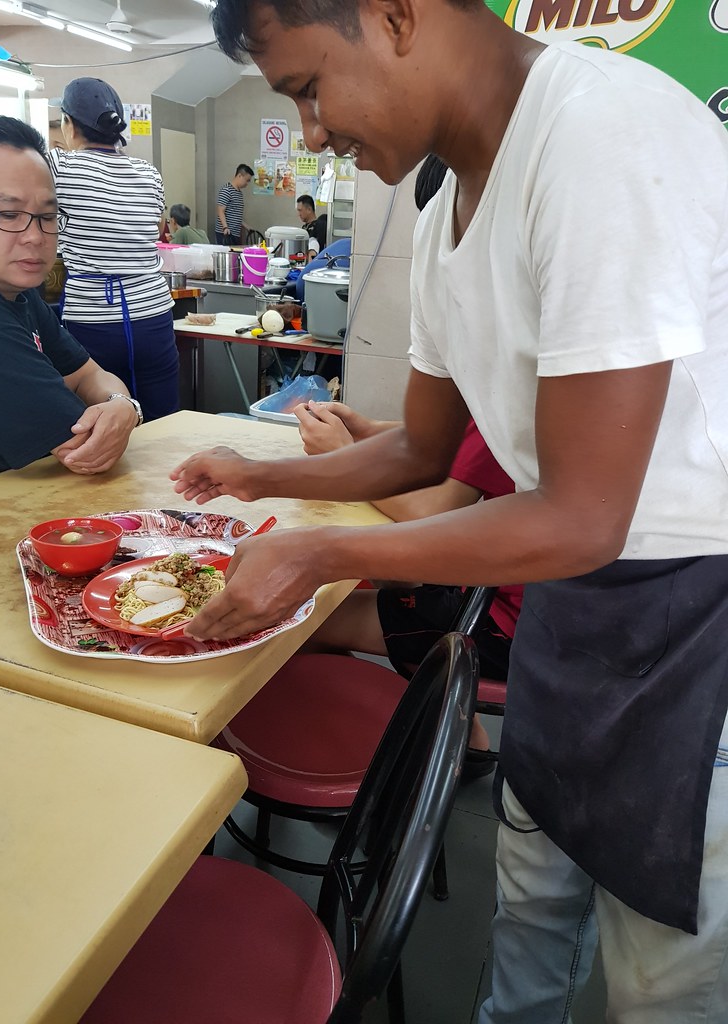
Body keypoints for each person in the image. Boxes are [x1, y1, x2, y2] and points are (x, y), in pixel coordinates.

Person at [175, 4, 728, 1020]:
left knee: (661, 987)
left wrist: (319, 554)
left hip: (695, 627)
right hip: (571, 620)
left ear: (393, 17)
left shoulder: (598, 137)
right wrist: (260, 477)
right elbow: (421, 448)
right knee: (528, 925)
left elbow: (585, 513)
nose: (310, 133)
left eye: (306, 88)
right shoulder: (445, 217)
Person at [296, 402, 521, 777]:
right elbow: (465, 438)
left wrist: (346, 456)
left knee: (307, 619)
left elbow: (434, 513)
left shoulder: (515, 393)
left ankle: (364, 757)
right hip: (520, 595)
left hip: (507, 626)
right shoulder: (530, 396)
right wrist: (369, 430)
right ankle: (459, 733)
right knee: (393, 573)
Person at [0, 113, 140, 486]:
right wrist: (115, 414)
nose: (35, 236)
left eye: (47, 216)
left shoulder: (16, 292)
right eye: (9, 214)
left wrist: (123, 406)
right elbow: (82, 444)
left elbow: (88, 375)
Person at [49, 77, 179, 423]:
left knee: (99, 425)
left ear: (68, 124)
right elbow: (153, 228)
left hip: (92, 318)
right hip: (153, 315)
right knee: (164, 421)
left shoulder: (60, 167)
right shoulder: (149, 173)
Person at [215, 163, 253, 244]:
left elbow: (235, 214)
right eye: (247, 180)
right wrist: (225, 227)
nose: (247, 183)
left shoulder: (239, 193)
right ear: (239, 176)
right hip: (225, 234)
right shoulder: (227, 190)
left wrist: (246, 226)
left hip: (235, 233)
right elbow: (220, 211)